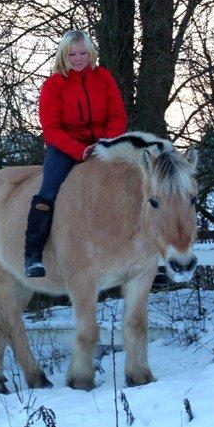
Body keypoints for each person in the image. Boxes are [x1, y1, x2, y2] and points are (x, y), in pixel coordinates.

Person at [24, 30, 128, 278]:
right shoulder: (53, 85)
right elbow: (51, 129)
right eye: (72, 54)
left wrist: (105, 143)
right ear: (63, 54)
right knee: (47, 192)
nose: (78, 58)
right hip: (66, 148)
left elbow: (118, 116)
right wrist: (79, 150)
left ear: (90, 52)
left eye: (83, 53)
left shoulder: (103, 77)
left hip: (105, 146)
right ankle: (33, 255)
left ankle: (146, 254)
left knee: (137, 185)